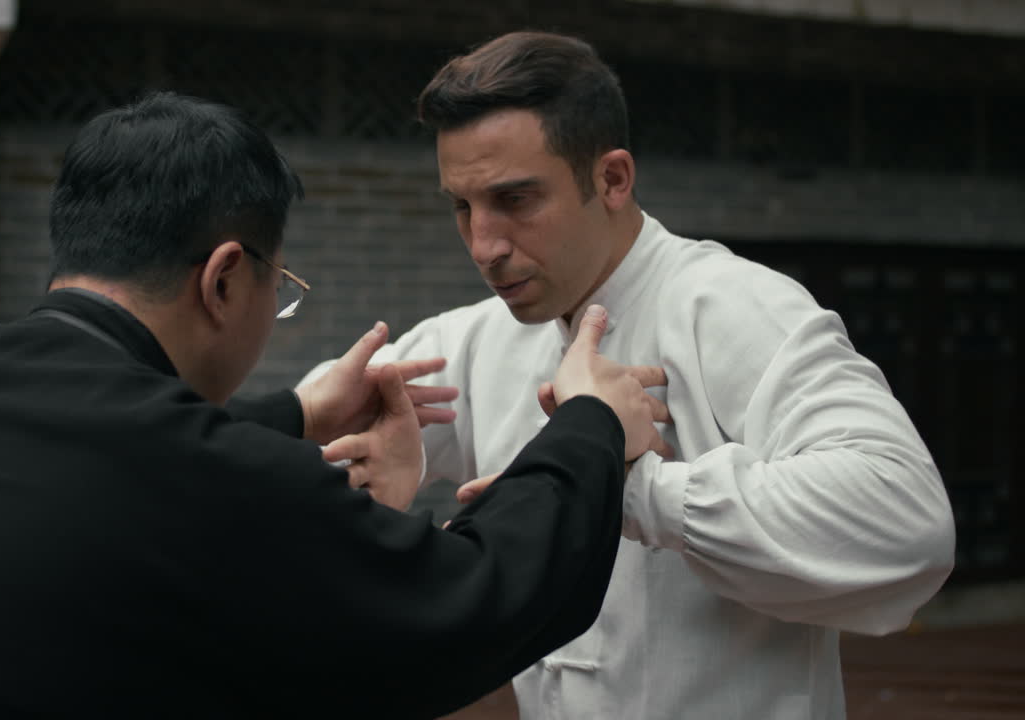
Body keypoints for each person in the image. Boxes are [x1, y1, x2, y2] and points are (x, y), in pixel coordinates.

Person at [0, 92, 671, 719]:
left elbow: (115, 459)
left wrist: (300, 414)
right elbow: (473, 601)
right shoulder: (197, 480)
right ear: (227, 278)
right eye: (282, 289)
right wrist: (590, 424)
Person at [303, 31, 957, 719]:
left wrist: (626, 491)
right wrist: (339, 469)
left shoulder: (739, 311)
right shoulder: (472, 340)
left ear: (613, 179)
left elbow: (906, 520)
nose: (484, 246)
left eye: (515, 200)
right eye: (462, 207)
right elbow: (288, 464)